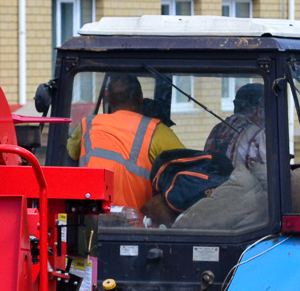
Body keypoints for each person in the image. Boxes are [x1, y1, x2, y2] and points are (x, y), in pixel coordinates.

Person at [68, 74, 183, 211]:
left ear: (108, 99)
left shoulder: (87, 125)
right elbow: (188, 170)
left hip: (89, 222)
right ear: (141, 98)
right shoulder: (158, 132)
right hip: (135, 228)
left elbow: (68, 158)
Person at [204, 82, 266, 171]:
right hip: (243, 184)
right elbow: (268, 176)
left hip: (216, 185)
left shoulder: (217, 129)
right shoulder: (257, 135)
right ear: (259, 109)